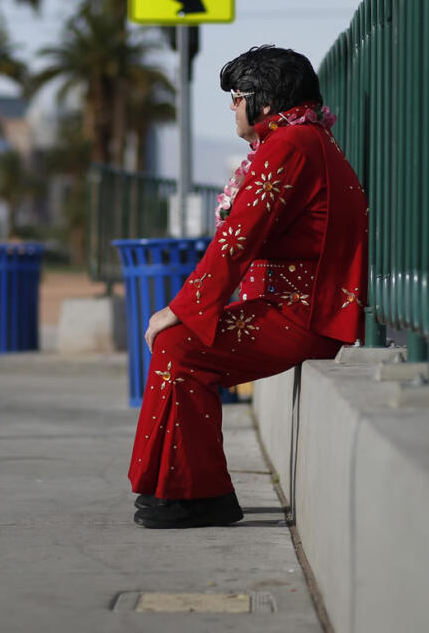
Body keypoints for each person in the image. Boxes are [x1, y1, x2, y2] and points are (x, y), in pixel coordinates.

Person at [130, 46, 368, 529]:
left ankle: (199, 495)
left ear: (261, 102)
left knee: (178, 343)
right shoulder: (306, 139)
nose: (233, 109)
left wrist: (181, 308)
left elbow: (239, 235)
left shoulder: (290, 145)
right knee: (180, 345)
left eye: (236, 98)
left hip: (303, 312)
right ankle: (183, 490)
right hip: (299, 305)